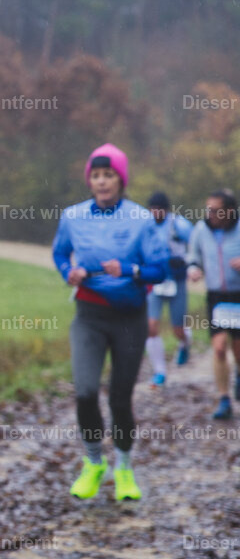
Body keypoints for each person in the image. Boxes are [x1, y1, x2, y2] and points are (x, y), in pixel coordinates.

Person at [52, 144, 168, 502]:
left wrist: (132, 270)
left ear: (121, 179)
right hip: (89, 315)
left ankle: (124, 467)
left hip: (129, 318)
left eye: (109, 175)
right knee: (85, 392)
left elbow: (160, 268)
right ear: (90, 180)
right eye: (96, 175)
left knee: (120, 398)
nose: (101, 182)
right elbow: (59, 253)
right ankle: (92, 463)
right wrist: (68, 272)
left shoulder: (141, 219)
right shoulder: (73, 216)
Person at [186, 189, 240, 420]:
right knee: (219, 348)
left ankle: (238, 373)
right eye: (208, 209)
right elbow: (192, 257)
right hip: (216, 297)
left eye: (216, 210)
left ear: (229, 211)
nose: (211, 214)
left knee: (238, 350)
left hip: (239, 295)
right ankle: (224, 398)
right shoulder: (201, 229)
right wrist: (194, 269)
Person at [144, 191, 194, 386]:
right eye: (152, 209)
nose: (155, 213)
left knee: (177, 328)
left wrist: (185, 262)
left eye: (158, 209)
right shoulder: (146, 226)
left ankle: (184, 343)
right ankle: (160, 372)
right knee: (151, 327)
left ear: (166, 210)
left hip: (177, 281)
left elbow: (195, 248)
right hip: (155, 281)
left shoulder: (179, 225)